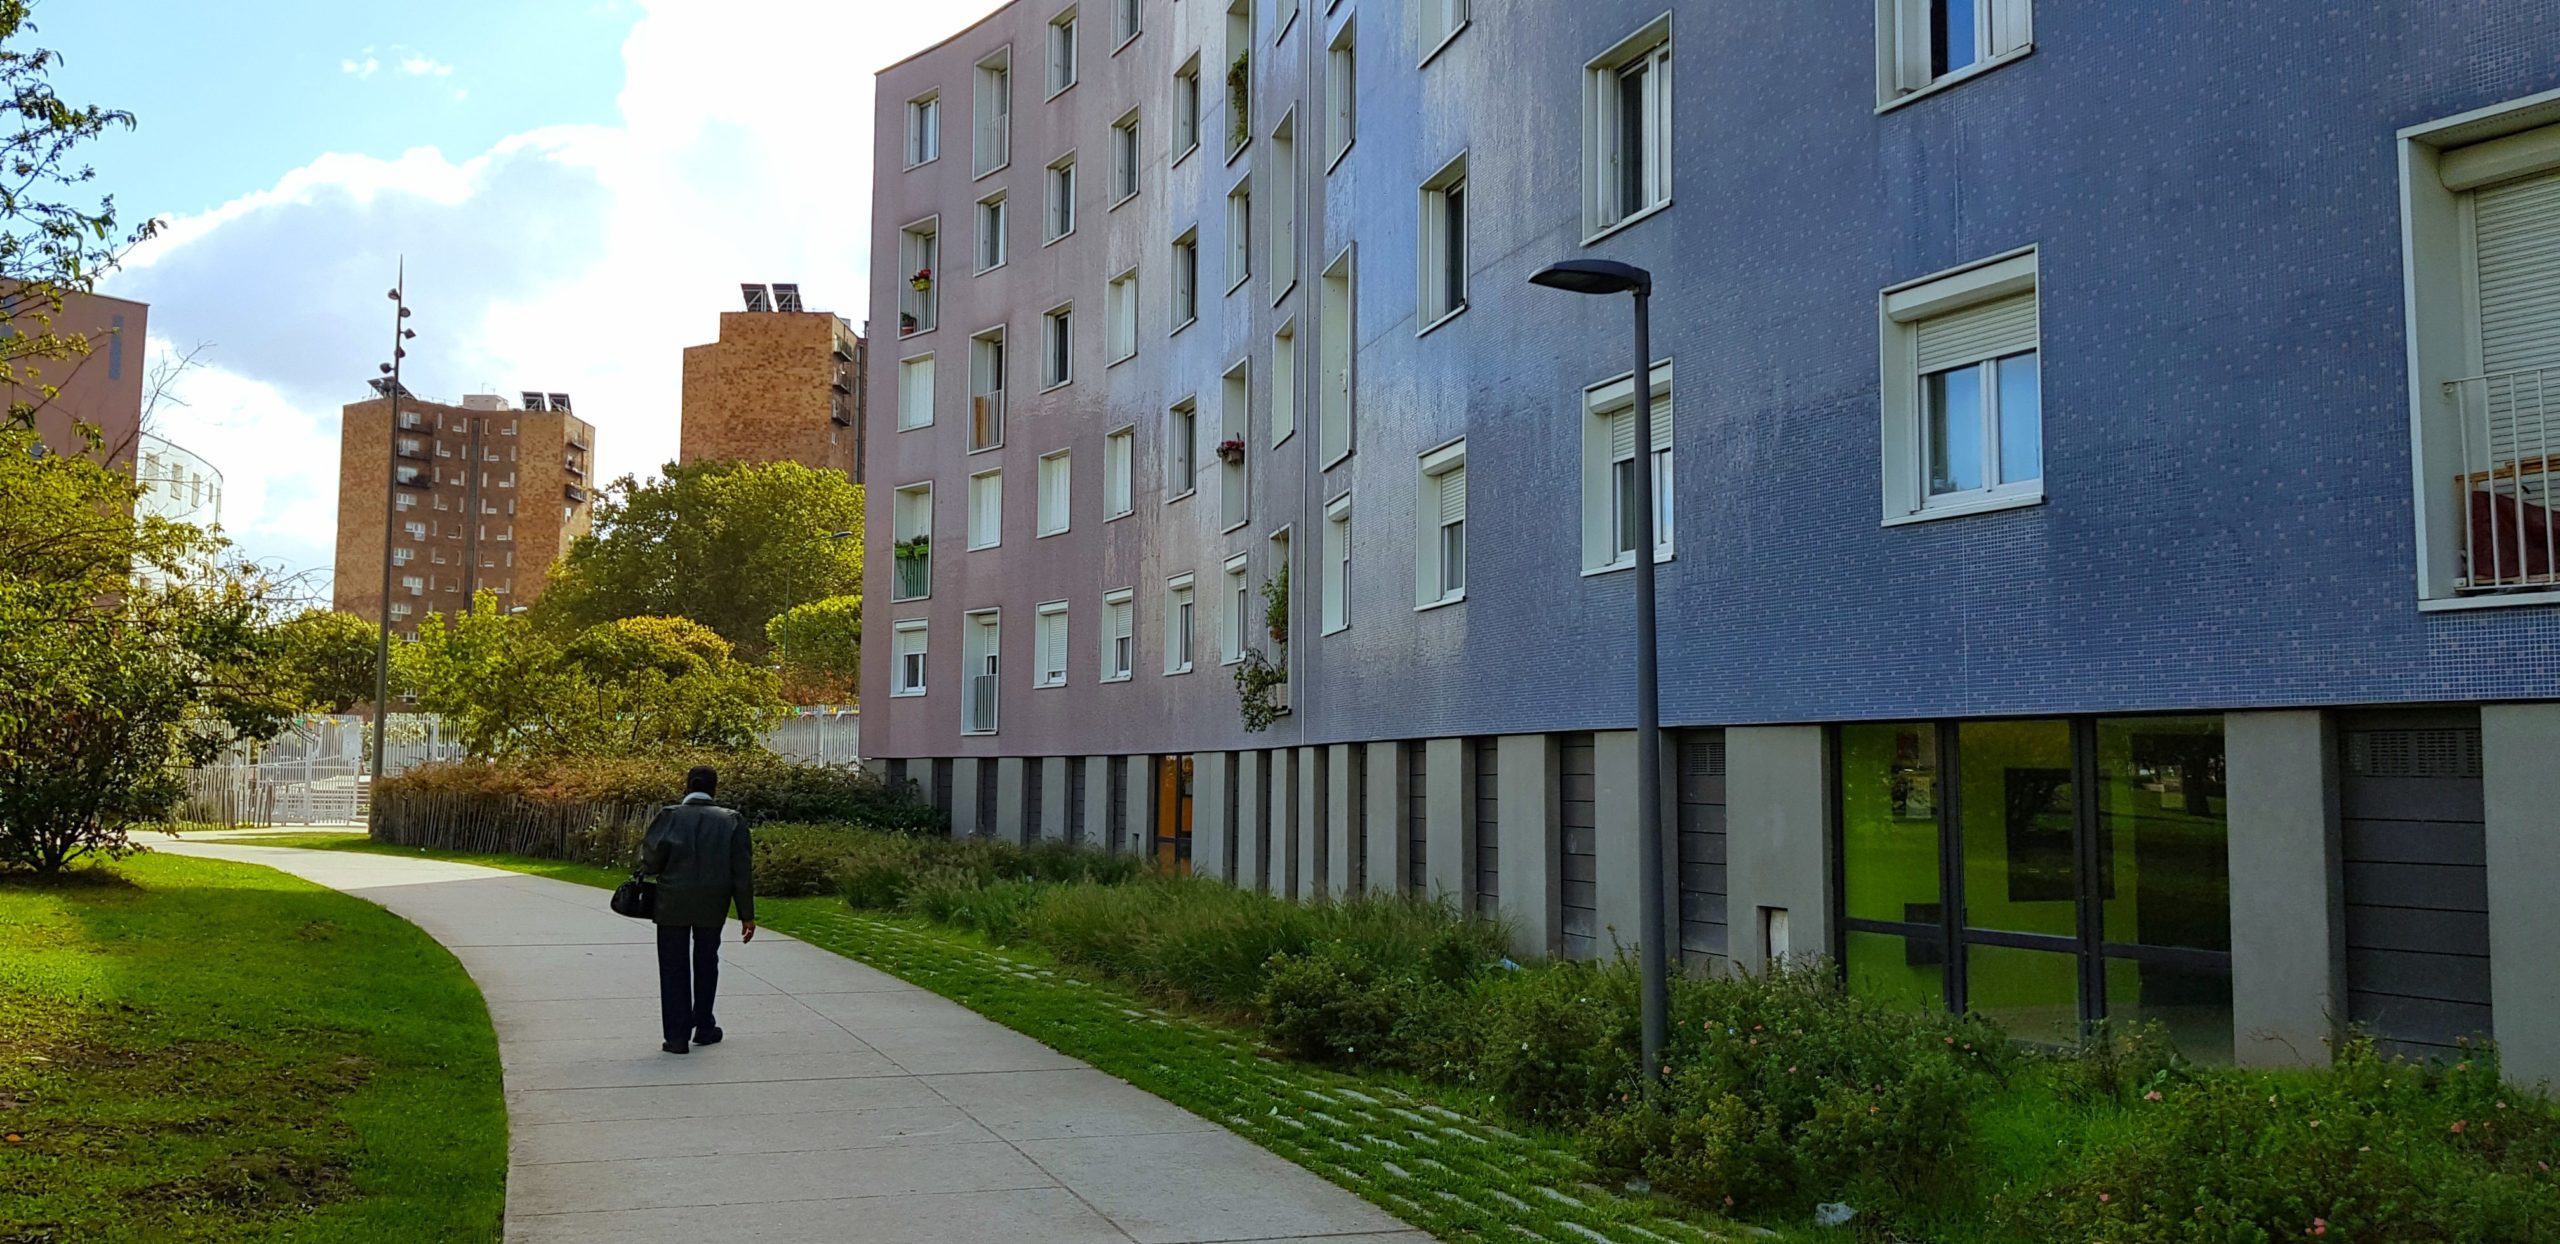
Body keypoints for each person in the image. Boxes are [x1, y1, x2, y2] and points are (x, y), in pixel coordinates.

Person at [638, 765, 755, 1054]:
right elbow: (741, 871)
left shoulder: (669, 816)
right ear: (714, 788)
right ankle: (704, 1025)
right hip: (713, 902)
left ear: (687, 785)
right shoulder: (732, 820)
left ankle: (676, 1036)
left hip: (672, 901)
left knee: (673, 966)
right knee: (706, 961)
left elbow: (650, 862)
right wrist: (746, 915)